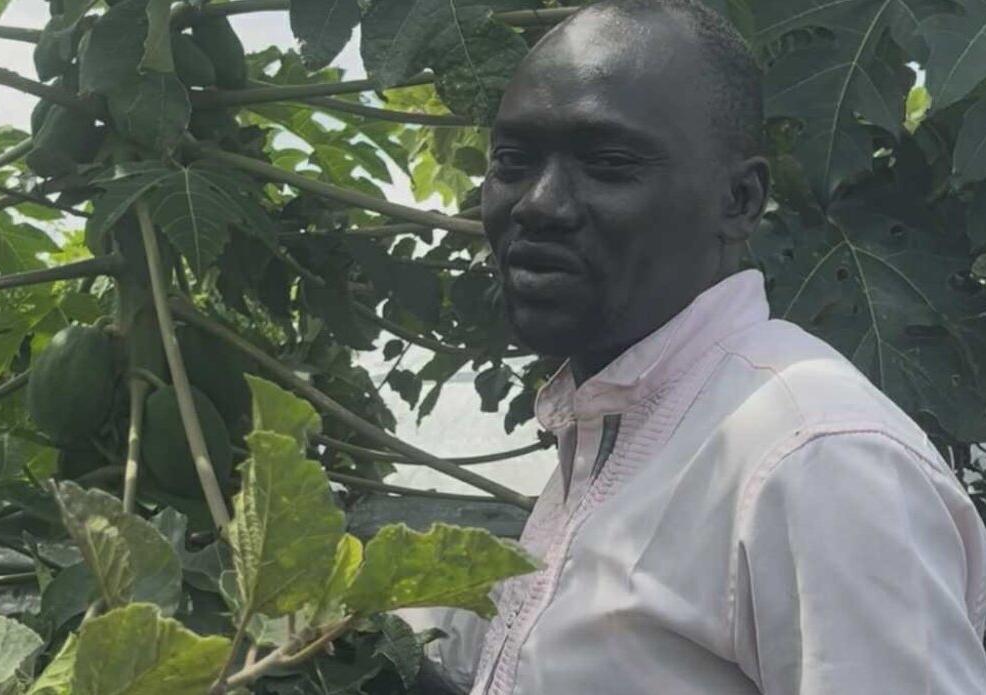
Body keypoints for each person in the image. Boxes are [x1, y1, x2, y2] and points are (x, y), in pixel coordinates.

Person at [409, 0, 986, 693]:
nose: (538, 202)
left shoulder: (816, 458)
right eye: (513, 160)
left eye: (609, 163)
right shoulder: (615, 422)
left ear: (740, 201)